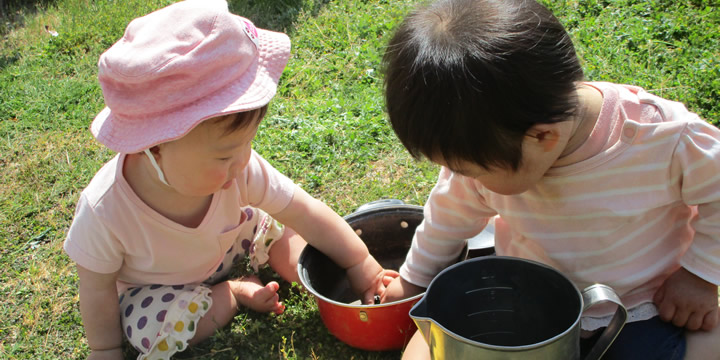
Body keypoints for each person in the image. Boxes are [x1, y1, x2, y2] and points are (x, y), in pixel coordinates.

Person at [380, 0, 720, 358]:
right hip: (529, 302)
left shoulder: (663, 140)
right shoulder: (491, 145)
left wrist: (698, 276)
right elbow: (446, 217)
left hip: (639, 306)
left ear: (543, 139)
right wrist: (412, 279)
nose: (459, 178)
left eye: (468, 171)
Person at [63, 1, 394, 359]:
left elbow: (303, 211)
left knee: (289, 237)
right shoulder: (105, 210)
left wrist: (360, 263)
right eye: (224, 155)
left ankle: (319, 279)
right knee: (151, 330)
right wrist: (105, 349)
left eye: (247, 145)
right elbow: (96, 290)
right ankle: (232, 294)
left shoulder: (241, 167)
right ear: (153, 148)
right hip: (158, 286)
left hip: (237, 238)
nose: (242, 162)